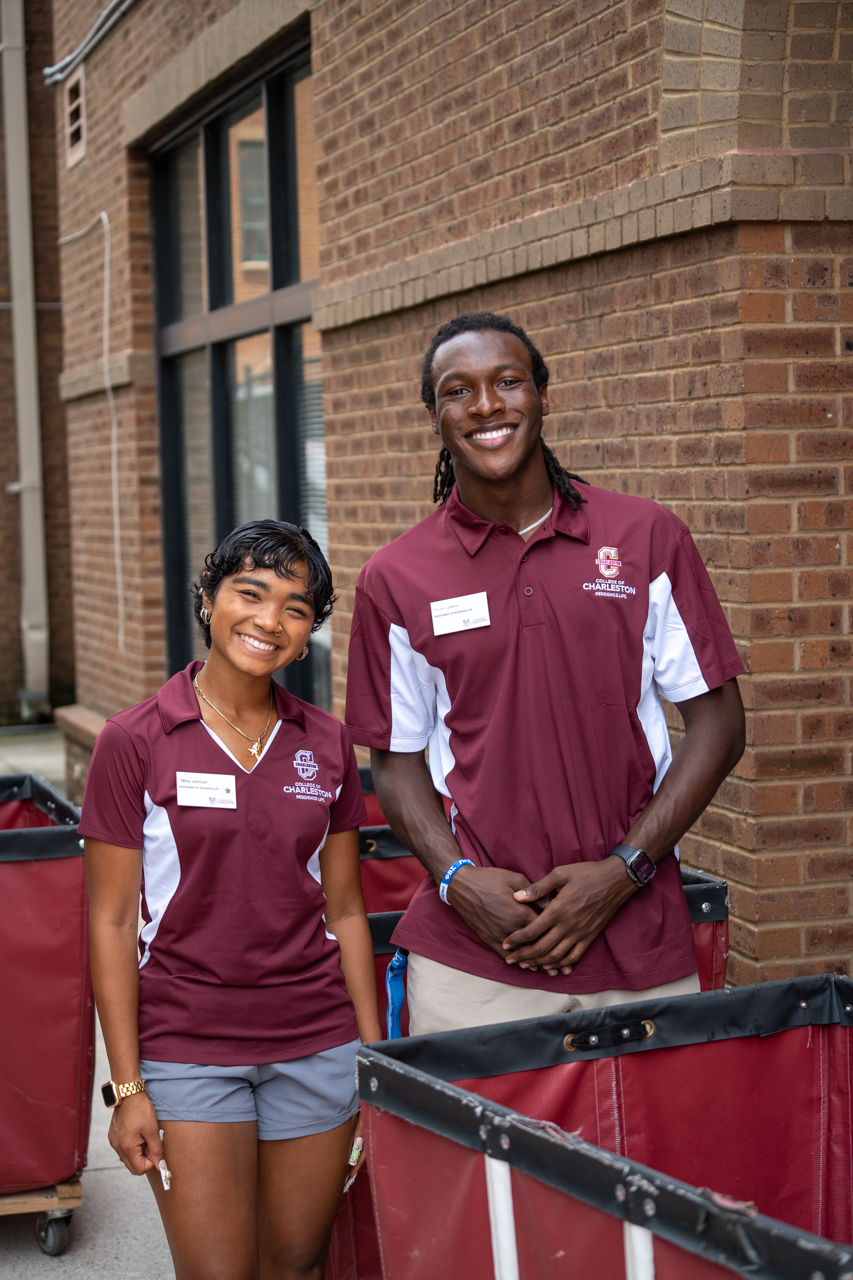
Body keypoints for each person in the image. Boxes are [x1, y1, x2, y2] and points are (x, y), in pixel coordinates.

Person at [345, 312, 745, 1035]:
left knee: (655, 1151)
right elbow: (395, 764)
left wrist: (623, 870)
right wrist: (456, 881)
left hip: (637, 941)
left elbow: (717, 724)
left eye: (507, 381)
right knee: (473, 1153)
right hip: (473, 955)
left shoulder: (645, 538)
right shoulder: (395, 577)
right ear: (434, 416)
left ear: (543, 396)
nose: (487, 405)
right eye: (457, 390)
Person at [81, 520, 381, 1280]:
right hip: (188, 1049)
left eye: (295, 607)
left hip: (317, 1042)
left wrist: (376, 1064)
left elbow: (345, 910)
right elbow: (112, 923)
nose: (269, 620)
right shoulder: (136, 740)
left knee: (297, 1264)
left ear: (309, 632)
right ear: (208, 599)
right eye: (251, 593)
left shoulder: (327, 743)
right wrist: (126, 1089)